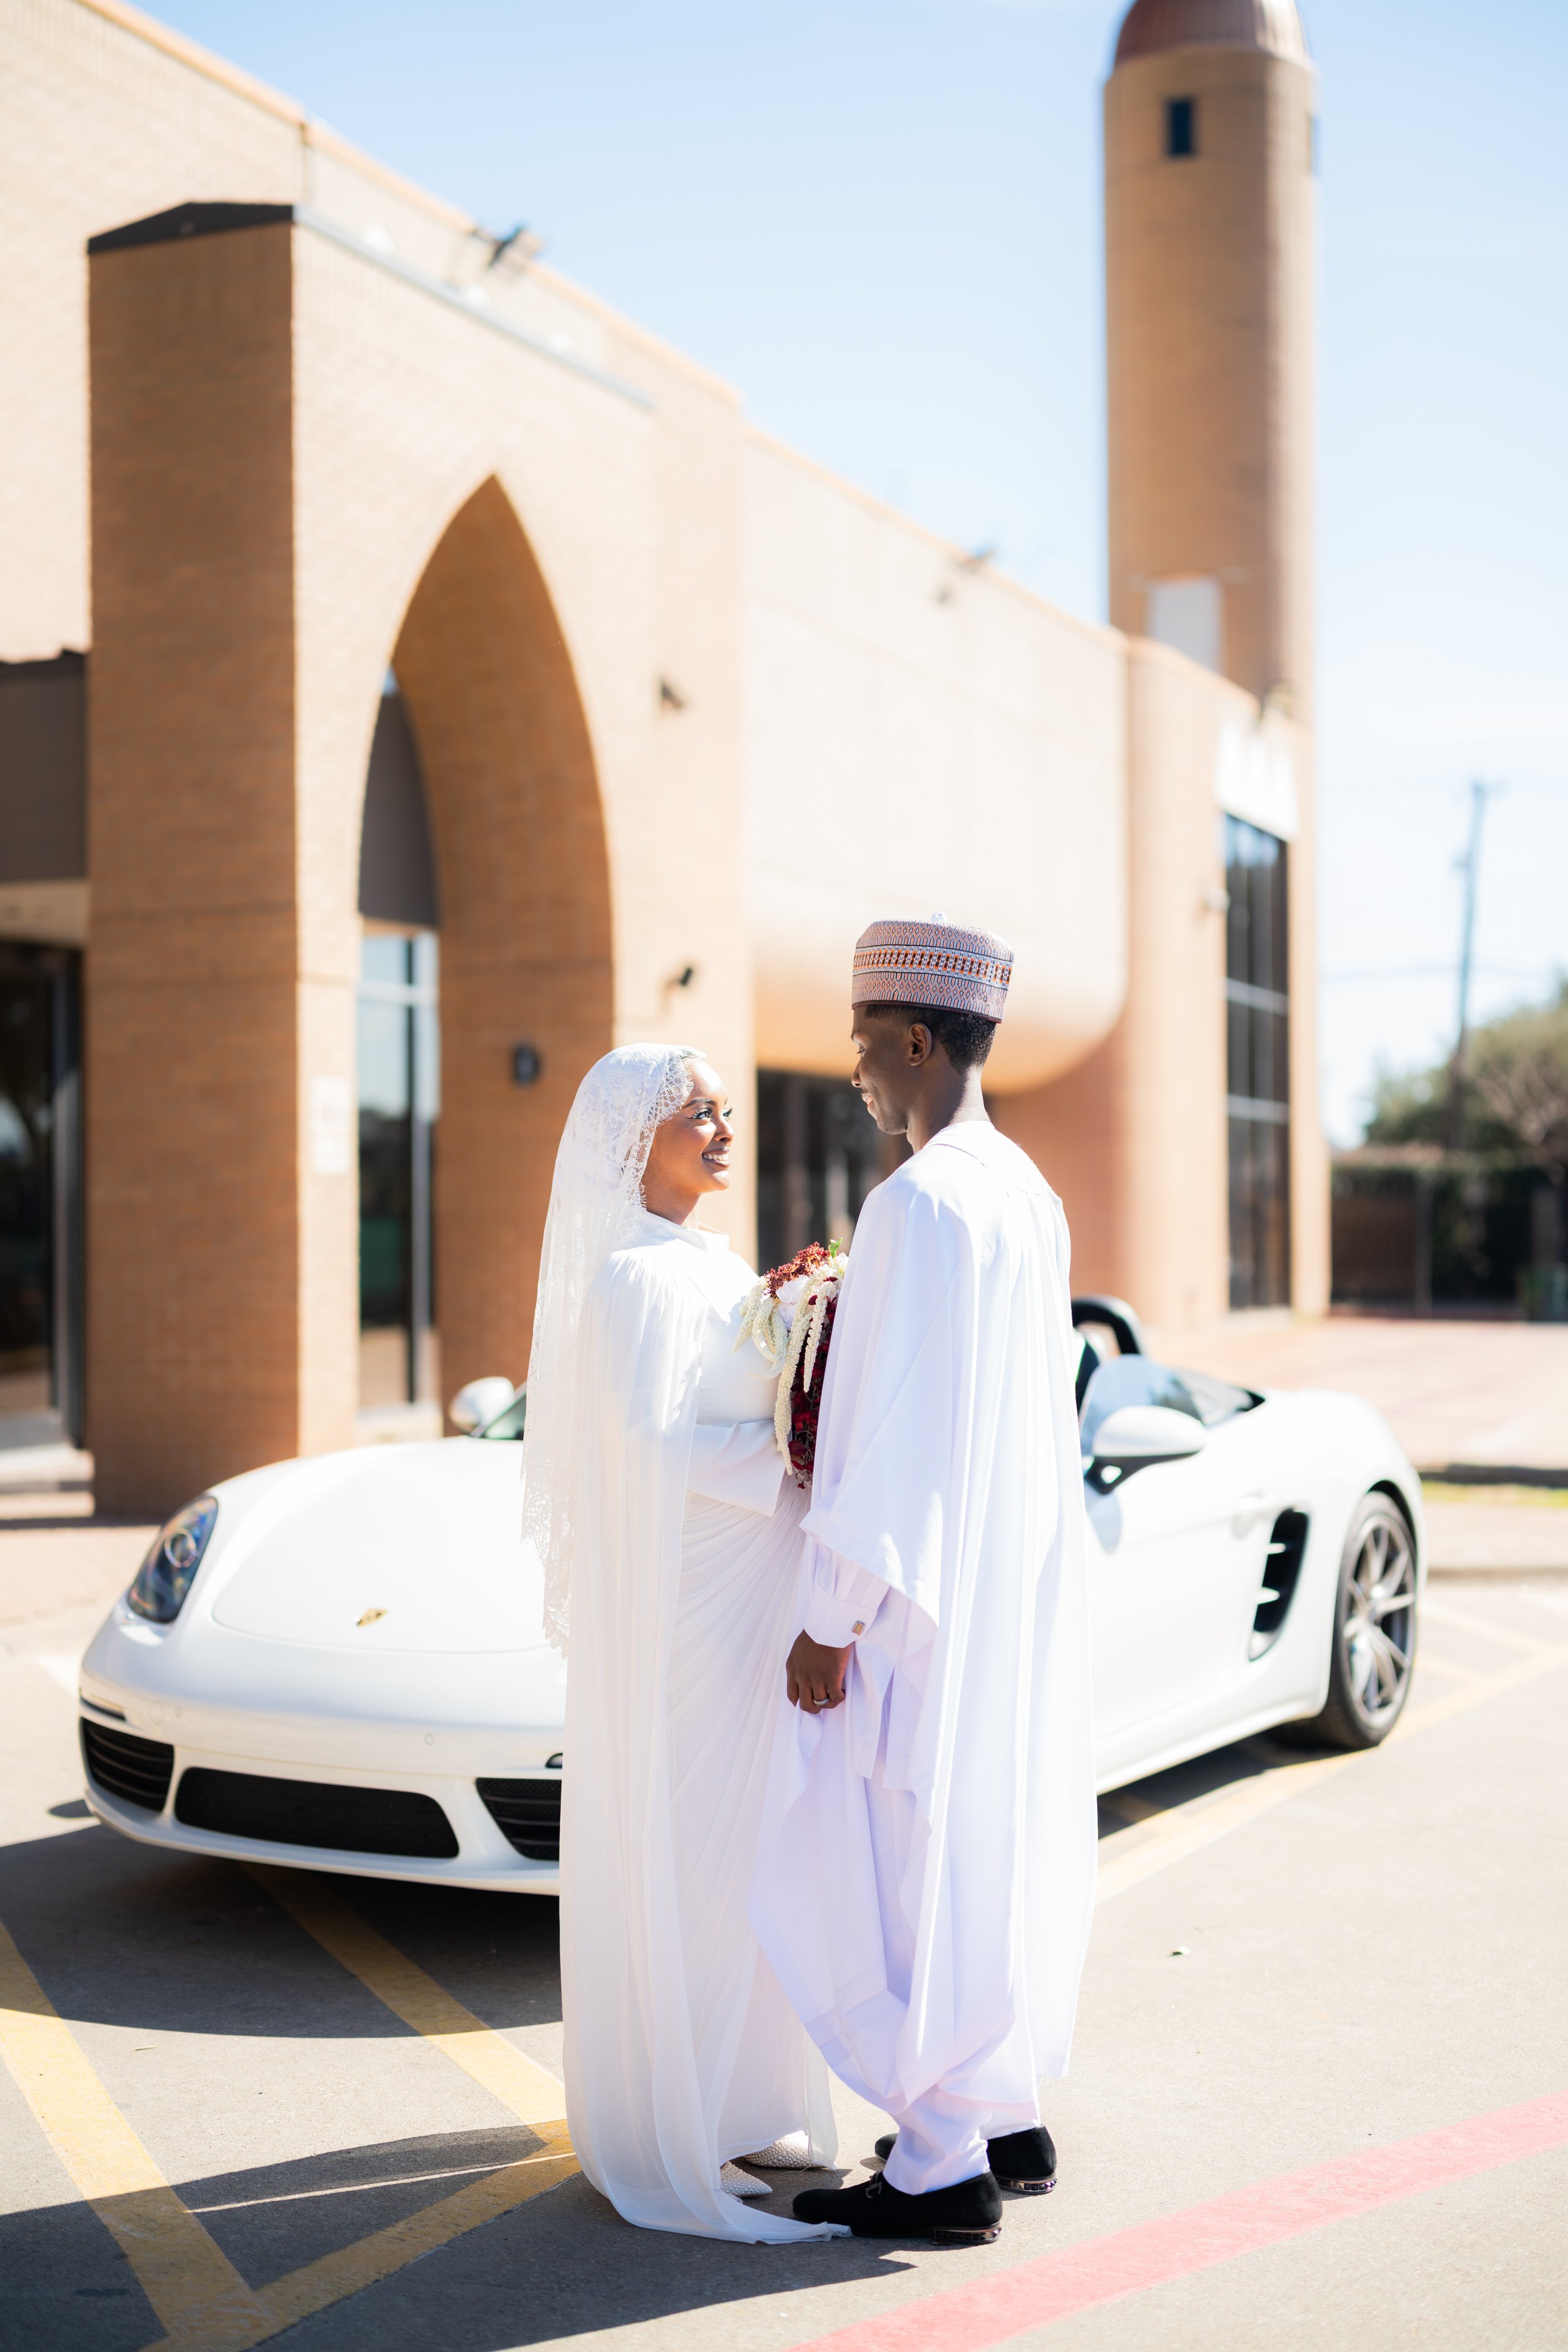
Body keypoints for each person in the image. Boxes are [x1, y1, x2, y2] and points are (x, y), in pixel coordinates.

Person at [750, 918, 1098, 2245]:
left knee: (906, 1860)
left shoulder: (914, 1202)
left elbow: (888, 1445)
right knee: (986, 1845)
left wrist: (826, 1621)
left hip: (921, 1601)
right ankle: (1000, 2113)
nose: (856, 1077)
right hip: (1007, 1588)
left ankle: (937, 2169)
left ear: (910, 1040)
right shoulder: (1024, 1192)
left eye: (857, 1052)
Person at [522, 1042, 841, 2242]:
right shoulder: (634, 1282)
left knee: (753, 1857)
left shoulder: (706, 1266)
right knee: (697, 1862)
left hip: (752, 1615)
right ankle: (683, 2115)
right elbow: (650, 1455)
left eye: (722, 1109)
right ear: (632, 1141)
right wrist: (796, 1461)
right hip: (693, 1626)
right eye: (693, 1113)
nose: (720, 1128)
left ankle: (747, 2098)